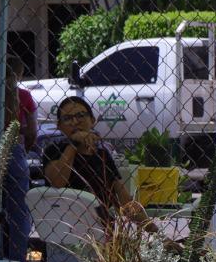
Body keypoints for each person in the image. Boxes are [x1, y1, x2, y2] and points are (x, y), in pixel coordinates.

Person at [40, 96, 148, 224]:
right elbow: (57, 182)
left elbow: (125, 199)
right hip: (63, 227)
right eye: (67, 119)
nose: (75, 122)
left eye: (80, 115)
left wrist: (155, 232)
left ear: (92, 120)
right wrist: (73, 145)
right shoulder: (54, 151)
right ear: (59, 126)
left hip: (100, 228)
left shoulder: (102, 154)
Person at [0, 57, 38, 262]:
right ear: (19, 75)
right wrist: (20, 149)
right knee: (19, 211)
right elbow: (32, 132)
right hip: (16, 150)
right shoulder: (25, 96)